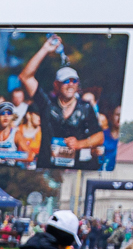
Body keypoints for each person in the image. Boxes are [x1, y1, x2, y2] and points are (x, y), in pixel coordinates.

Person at [17, 34, 105, 170]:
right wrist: (45, 49)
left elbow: (99, 137)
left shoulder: (85, 107)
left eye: (74, 81)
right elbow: (25, 77)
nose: (70, 84)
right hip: (46, 168)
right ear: (56, 85)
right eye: (66, 81)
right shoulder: (47, 103)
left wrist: (80, 144)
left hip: (72, 170)